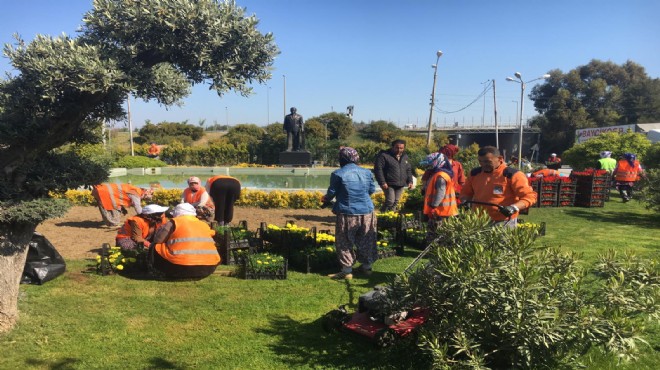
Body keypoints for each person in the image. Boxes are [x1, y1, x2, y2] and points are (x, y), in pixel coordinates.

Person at [322, 147, 377, 280]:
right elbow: (371, 189)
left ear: (342, 159)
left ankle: (347, 271)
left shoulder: (338, 174)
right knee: (367, 239)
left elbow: (331, 193)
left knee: (344, 241)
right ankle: (367, 267)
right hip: (367, 212)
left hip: (347, 213)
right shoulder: (367, 172)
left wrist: (325, 199)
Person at [460, 146, 537, 228]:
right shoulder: (474, 174)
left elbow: (530, 196)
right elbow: (466, 193)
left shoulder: (512, 175)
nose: (483, 165)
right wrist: (465, 202)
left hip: (503, 221)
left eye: (487, 162)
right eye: (480, 161)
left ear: (500, 159)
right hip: (479, 220)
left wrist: (513, 207)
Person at [151, 203, 220, 279]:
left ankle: (156, 271)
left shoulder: (174, 222)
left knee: (156, 246)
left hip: (180, 266)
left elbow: (158, 240)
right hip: (209, 267)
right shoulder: (203, 224)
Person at [420, 152, 458, 243]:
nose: (428, 165)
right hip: (441, 211)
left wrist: (433, 207)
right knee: (440, 234)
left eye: (430, 163)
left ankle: (435, 252)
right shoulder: (438, 173)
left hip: (441, 212)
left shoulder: (441, 176)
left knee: (438, 235)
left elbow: (440, 192)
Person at [373, 139, 414, 212]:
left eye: (401, 148)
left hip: (400, 183)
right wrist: (382, 182)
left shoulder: (405, 156)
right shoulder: (384, 155)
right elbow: (378, 169)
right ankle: (382, 216)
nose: (399, 149)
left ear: (404, 148)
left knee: (395, 202)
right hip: (388, 183)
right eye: (397, 147)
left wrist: (410, 181)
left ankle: (391, 218)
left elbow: (408, 170)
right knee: (390, 201)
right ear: (392, 147)